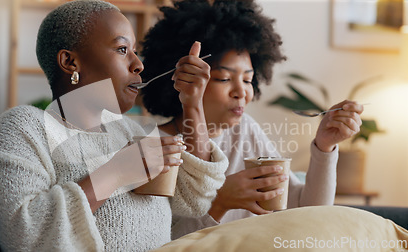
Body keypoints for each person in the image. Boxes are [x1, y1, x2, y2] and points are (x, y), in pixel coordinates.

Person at [0, 0, 228, 251]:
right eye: (122, 49)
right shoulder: (24, 127)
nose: (138, 64)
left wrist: (193, 104)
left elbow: (196, 197)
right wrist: (117, 173)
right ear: (70, 62)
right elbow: (25, 234)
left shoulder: (132, 132)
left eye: (134, 50)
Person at [140, 0, 364, 239]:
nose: (241, 92)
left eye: (247, 80)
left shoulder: (245, 130)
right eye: (224, 79)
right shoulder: (157, 147)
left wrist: (325, 146)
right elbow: (163, 244)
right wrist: (220, 202)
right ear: (184, 80)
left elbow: (308, 211)